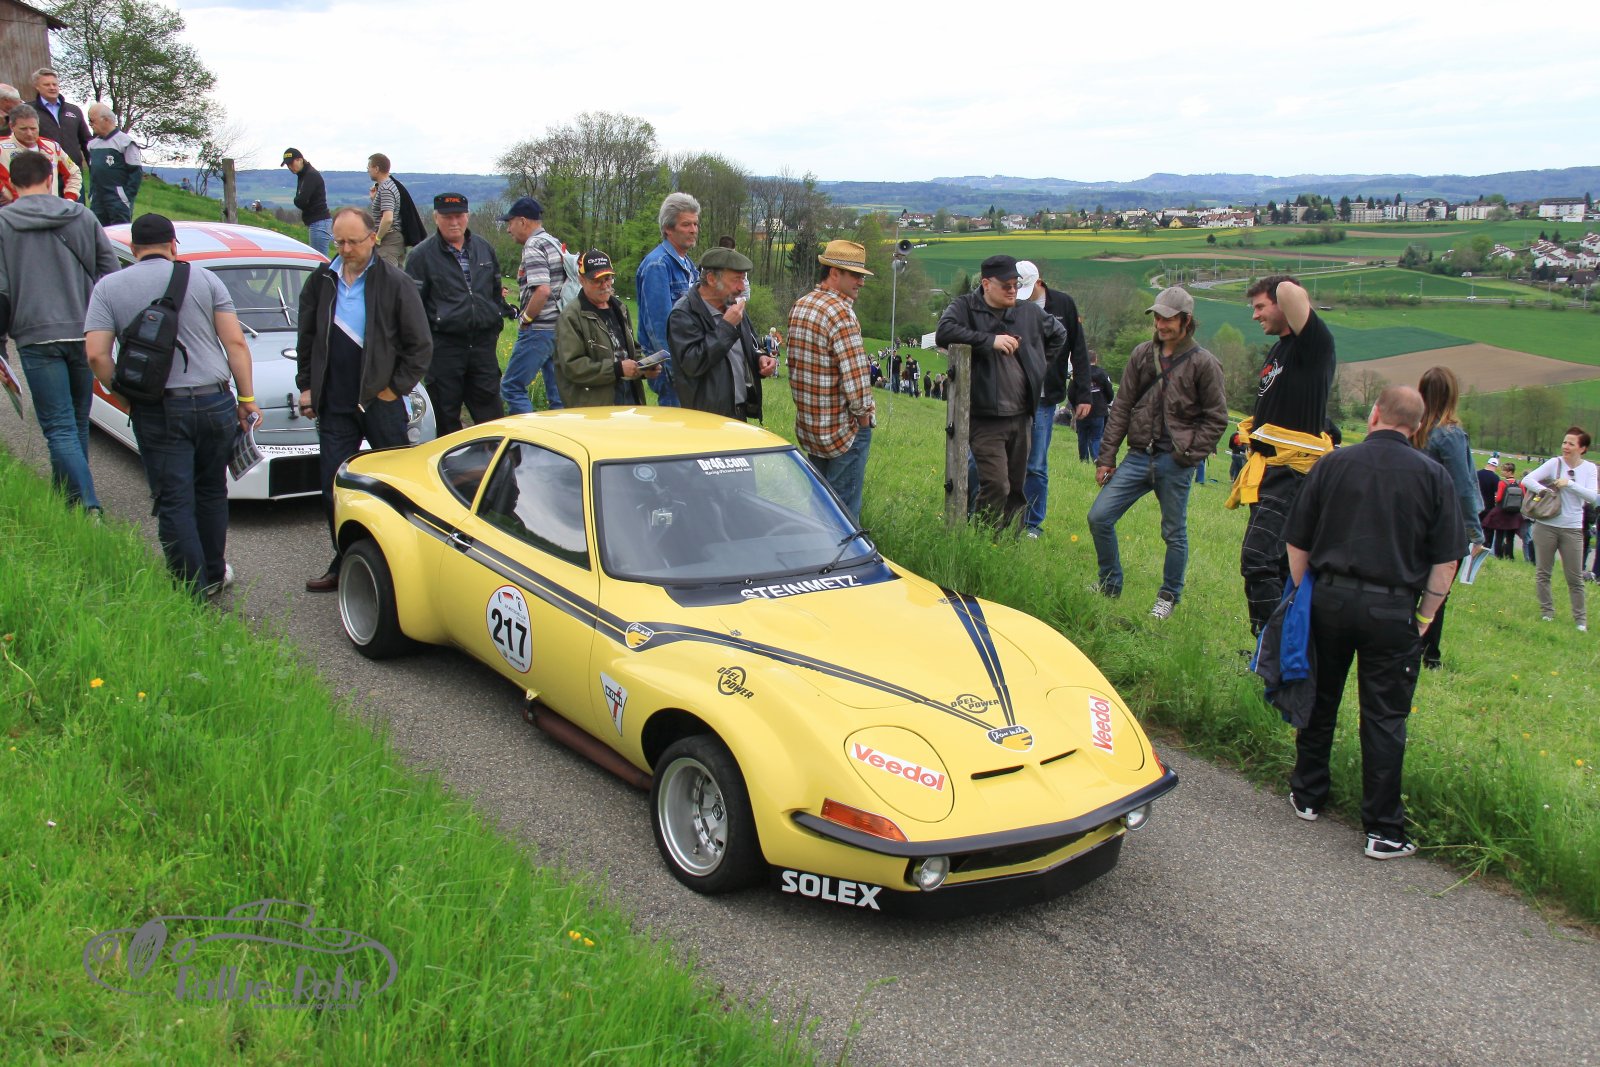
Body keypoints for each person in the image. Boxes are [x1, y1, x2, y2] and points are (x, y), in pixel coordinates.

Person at [1285, 386, 1463, 859]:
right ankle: (1383, 829)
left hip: (1330, 597)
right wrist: (1425, 616)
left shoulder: (1333, 463)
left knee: (1321, 696)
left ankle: (1307, 794)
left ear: (1375, 414)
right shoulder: (1434, 476)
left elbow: (1297, 539)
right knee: (1384, 715)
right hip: (1392, 606)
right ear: (1418, 426)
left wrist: (1304, 594)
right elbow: (1446, 561)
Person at [83, 213, 261, 597]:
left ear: (133, 249)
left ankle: (190, 589)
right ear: (173, 245)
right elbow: (235, 343)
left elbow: (96, 354)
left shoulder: (109, 287)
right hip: (215, 401)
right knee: (211, 490)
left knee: (174, 499)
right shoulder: (206, 279)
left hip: (159, 407)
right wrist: (246, 399)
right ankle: (214, 572)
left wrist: (126, 396)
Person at [296, 207, 433, 593]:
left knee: (392, 487)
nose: (345, 249)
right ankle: (344, 560)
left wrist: (394, 389)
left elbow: (420, 346)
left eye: (353, 242)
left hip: (381, 403)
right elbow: (307, 339)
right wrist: (307, 386)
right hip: (334, 403)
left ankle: (399, 567)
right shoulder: (321, 281)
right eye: (338, 242)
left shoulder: (395, 282)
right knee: (334, 488)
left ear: (373, 238)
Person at [1088, 287, 1228, 618]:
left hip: (1175, 462)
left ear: (1186, 320)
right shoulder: (1141, 354)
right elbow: (1122, 406)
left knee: (1174, 533)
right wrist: (1106, 458)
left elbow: (1217, 418)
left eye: (1168, 319)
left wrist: (1189, 455)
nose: (1161, 324)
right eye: (1157, 318)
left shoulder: (1205, 363)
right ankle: (1109, 583)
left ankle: (1168, 596)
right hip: (1138, 456)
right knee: (1099, 517)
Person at [0, 150, 119, 518]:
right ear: (51, 178)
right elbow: (109, 274)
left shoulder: (4, 223)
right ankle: (69, 500)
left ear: (12, 183)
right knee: (77, 421)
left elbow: (1, 291)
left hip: (36, 334)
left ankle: (88, 506)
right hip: (84, 332)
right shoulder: (83, 216)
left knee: (58, 425)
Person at [935, 254, 1071, 531]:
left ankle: (1007, 541)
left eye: (1015, 285)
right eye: (1006, 285)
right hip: (985, 415)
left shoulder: (1029, 312)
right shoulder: (966, 307)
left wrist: (1038, 365)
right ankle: (983, 536)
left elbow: (1059, 334)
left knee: (1016, 489)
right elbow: (944, 332)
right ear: (986, 284)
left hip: (1022, 415)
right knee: (997, 484)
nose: (1012, 290)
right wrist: (989, 341)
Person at [1237, 275, 1337, 636]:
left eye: (1261, 306)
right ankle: (1279, 648)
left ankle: (1270, 646)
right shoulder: (1279, 348)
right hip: (1270, 471)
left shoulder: (1313, 344)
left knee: (1258, 558)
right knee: (1279, 566)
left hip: (1292, 473)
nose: (1255, 316)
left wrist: (1281, 285)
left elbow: (1290, 291)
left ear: (1284, 305)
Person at [405, 192, 512, 435]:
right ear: (436, 218)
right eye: (447, 217)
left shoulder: (484, 249)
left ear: (468, 216)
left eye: (459, 216)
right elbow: (413, 308)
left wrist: (494, 324)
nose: (454, 222)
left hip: (482, 347)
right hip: (444, 349)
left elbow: (495, 294)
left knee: (492, 419)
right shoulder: (421, 256)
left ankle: (494, 459)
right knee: (446, 418)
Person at [787, 240, 877, 521]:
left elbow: (794, 367)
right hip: (843, 432)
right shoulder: (840, 313)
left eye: (862, 275)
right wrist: (864, 419)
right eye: (855, 275)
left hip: (812, 428)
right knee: (843, 517)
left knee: (819, 509)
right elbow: (856, 378)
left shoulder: (801, 305)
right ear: (834, 273)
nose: (861, 282)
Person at [1411, 366, 1486, 668]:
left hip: (1414, 518)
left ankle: (1406, 642)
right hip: (1444, 522)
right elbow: (1462, 486)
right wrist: (1475, 531)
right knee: (1437, 590)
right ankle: (1429, 652)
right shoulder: (1450, 434)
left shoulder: (1413, 429)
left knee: (1411, 584)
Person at [1013, 261, 1091, 538]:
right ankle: (1006, 515)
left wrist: (1083, 393)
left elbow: (1078, 350)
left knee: (1035, 463)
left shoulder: (1063, 305)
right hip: (1015, 392)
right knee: (1008, 459)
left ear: (1039, 282)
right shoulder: (1013, 303)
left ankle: (1033, 524)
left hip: (1045, 396)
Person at [668, 246, 776, 421]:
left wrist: (760, 359)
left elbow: (750, 346)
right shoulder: (683, 313)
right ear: (711, 279)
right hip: (705, 419)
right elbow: (692, 364)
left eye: (743, 279)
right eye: (736, 280)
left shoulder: (733, 306)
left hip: (738, 413)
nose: (742, 287)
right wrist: (726, 326)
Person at [554, 249, 659, 407]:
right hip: (594, 406)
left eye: (608, 278)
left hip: (630, 400)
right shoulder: (571, 316)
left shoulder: (620, 308)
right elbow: (573, 367)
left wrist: (644, 368)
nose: (604, 285)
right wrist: (617, 370)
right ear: (581, 280)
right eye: (597, 280)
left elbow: (629, 351)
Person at [1522, 427, 1598, 631]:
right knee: (1543, 572)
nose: (1566, 446)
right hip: (1546, 525)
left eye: (1571, 443)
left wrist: (1569, 484)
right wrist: (1545, 490)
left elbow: (1593, 497)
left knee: (1575, 578)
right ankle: (1547, 613)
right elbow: (1527, 479)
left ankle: (1580, 621)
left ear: (1582, 448)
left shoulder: (1589, 468)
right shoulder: (1554, 463)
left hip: (1572, 528)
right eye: (1564, 442)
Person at [499, 196, 565, 414]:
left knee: (512, 387)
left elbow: (543, 290)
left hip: (538, 330)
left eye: (510, 223)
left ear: (523, 221)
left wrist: (525, 319)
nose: (508, 229)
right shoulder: (554, 243)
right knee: (558, 397)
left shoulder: (533, 245)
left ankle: (528, 434)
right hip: (559, 328)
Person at [636, 192, 700, 407]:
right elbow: (659, 327)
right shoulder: (658, 265)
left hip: (689, 362)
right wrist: (677, 370)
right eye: (686, 224)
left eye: (695, 224)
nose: (693, 230)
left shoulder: (688, 264)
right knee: (676, 424)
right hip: (673, 369)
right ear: (668, 229)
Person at [0, 105, 83, 204]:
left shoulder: (52, 147)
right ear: (11, 127)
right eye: (23, 129)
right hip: (14, 209)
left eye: (33, 128)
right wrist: (3, 190)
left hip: (49, 208)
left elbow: (74, 173)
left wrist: (70, 199)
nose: (29, 133)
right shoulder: (2, 147)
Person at [29, 68, 91, 183]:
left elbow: (86, 142)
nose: (52, 87)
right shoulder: (29, 111)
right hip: (44, 174)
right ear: (37, 87)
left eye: (54, 84)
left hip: (73, 173)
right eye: (47, 84)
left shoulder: (74, 110)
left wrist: (92, 166)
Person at [85, 103, 142, 225]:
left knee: (119, 232)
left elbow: (135, 174)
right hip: (97, 201)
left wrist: (125, 198)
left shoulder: (126, 142)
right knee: (98, 232)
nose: (90, 124)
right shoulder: (92, 145)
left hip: (118, 201)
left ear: (106, 120)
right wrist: (92, 195)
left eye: (92, 120)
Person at [282, 148, 332, 256]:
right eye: (287, 165)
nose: (290, 167)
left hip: (319, 222)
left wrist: (296, 199)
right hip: (318, 221)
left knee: (320, 259)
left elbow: (301, 201)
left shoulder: (310, 175)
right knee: (319, 258)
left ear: (300, 160)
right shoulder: (303, 175)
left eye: (291, 163)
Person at [1068, 349, 1114, 464]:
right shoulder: (1103, 374)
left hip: (1082, 410)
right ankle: (1096, 458)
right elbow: (1109, 391)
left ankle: (1084, 459)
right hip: (1099, 410)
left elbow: (1071, 392)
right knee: (1097, 437)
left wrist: (1075, 405)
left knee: (1082, 436)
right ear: (1096, 359)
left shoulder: (1077, 374)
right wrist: (1106, 402)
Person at [366, 153, 406, 267]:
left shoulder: (386, 189)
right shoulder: (387, 186)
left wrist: (377, 238)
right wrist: (375, 199)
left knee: (387, 275)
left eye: (369, 167)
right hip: (392, 239)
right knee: (395, 275)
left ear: (376, 169)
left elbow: (388, 218)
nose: (368, 170)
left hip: (389, 240)